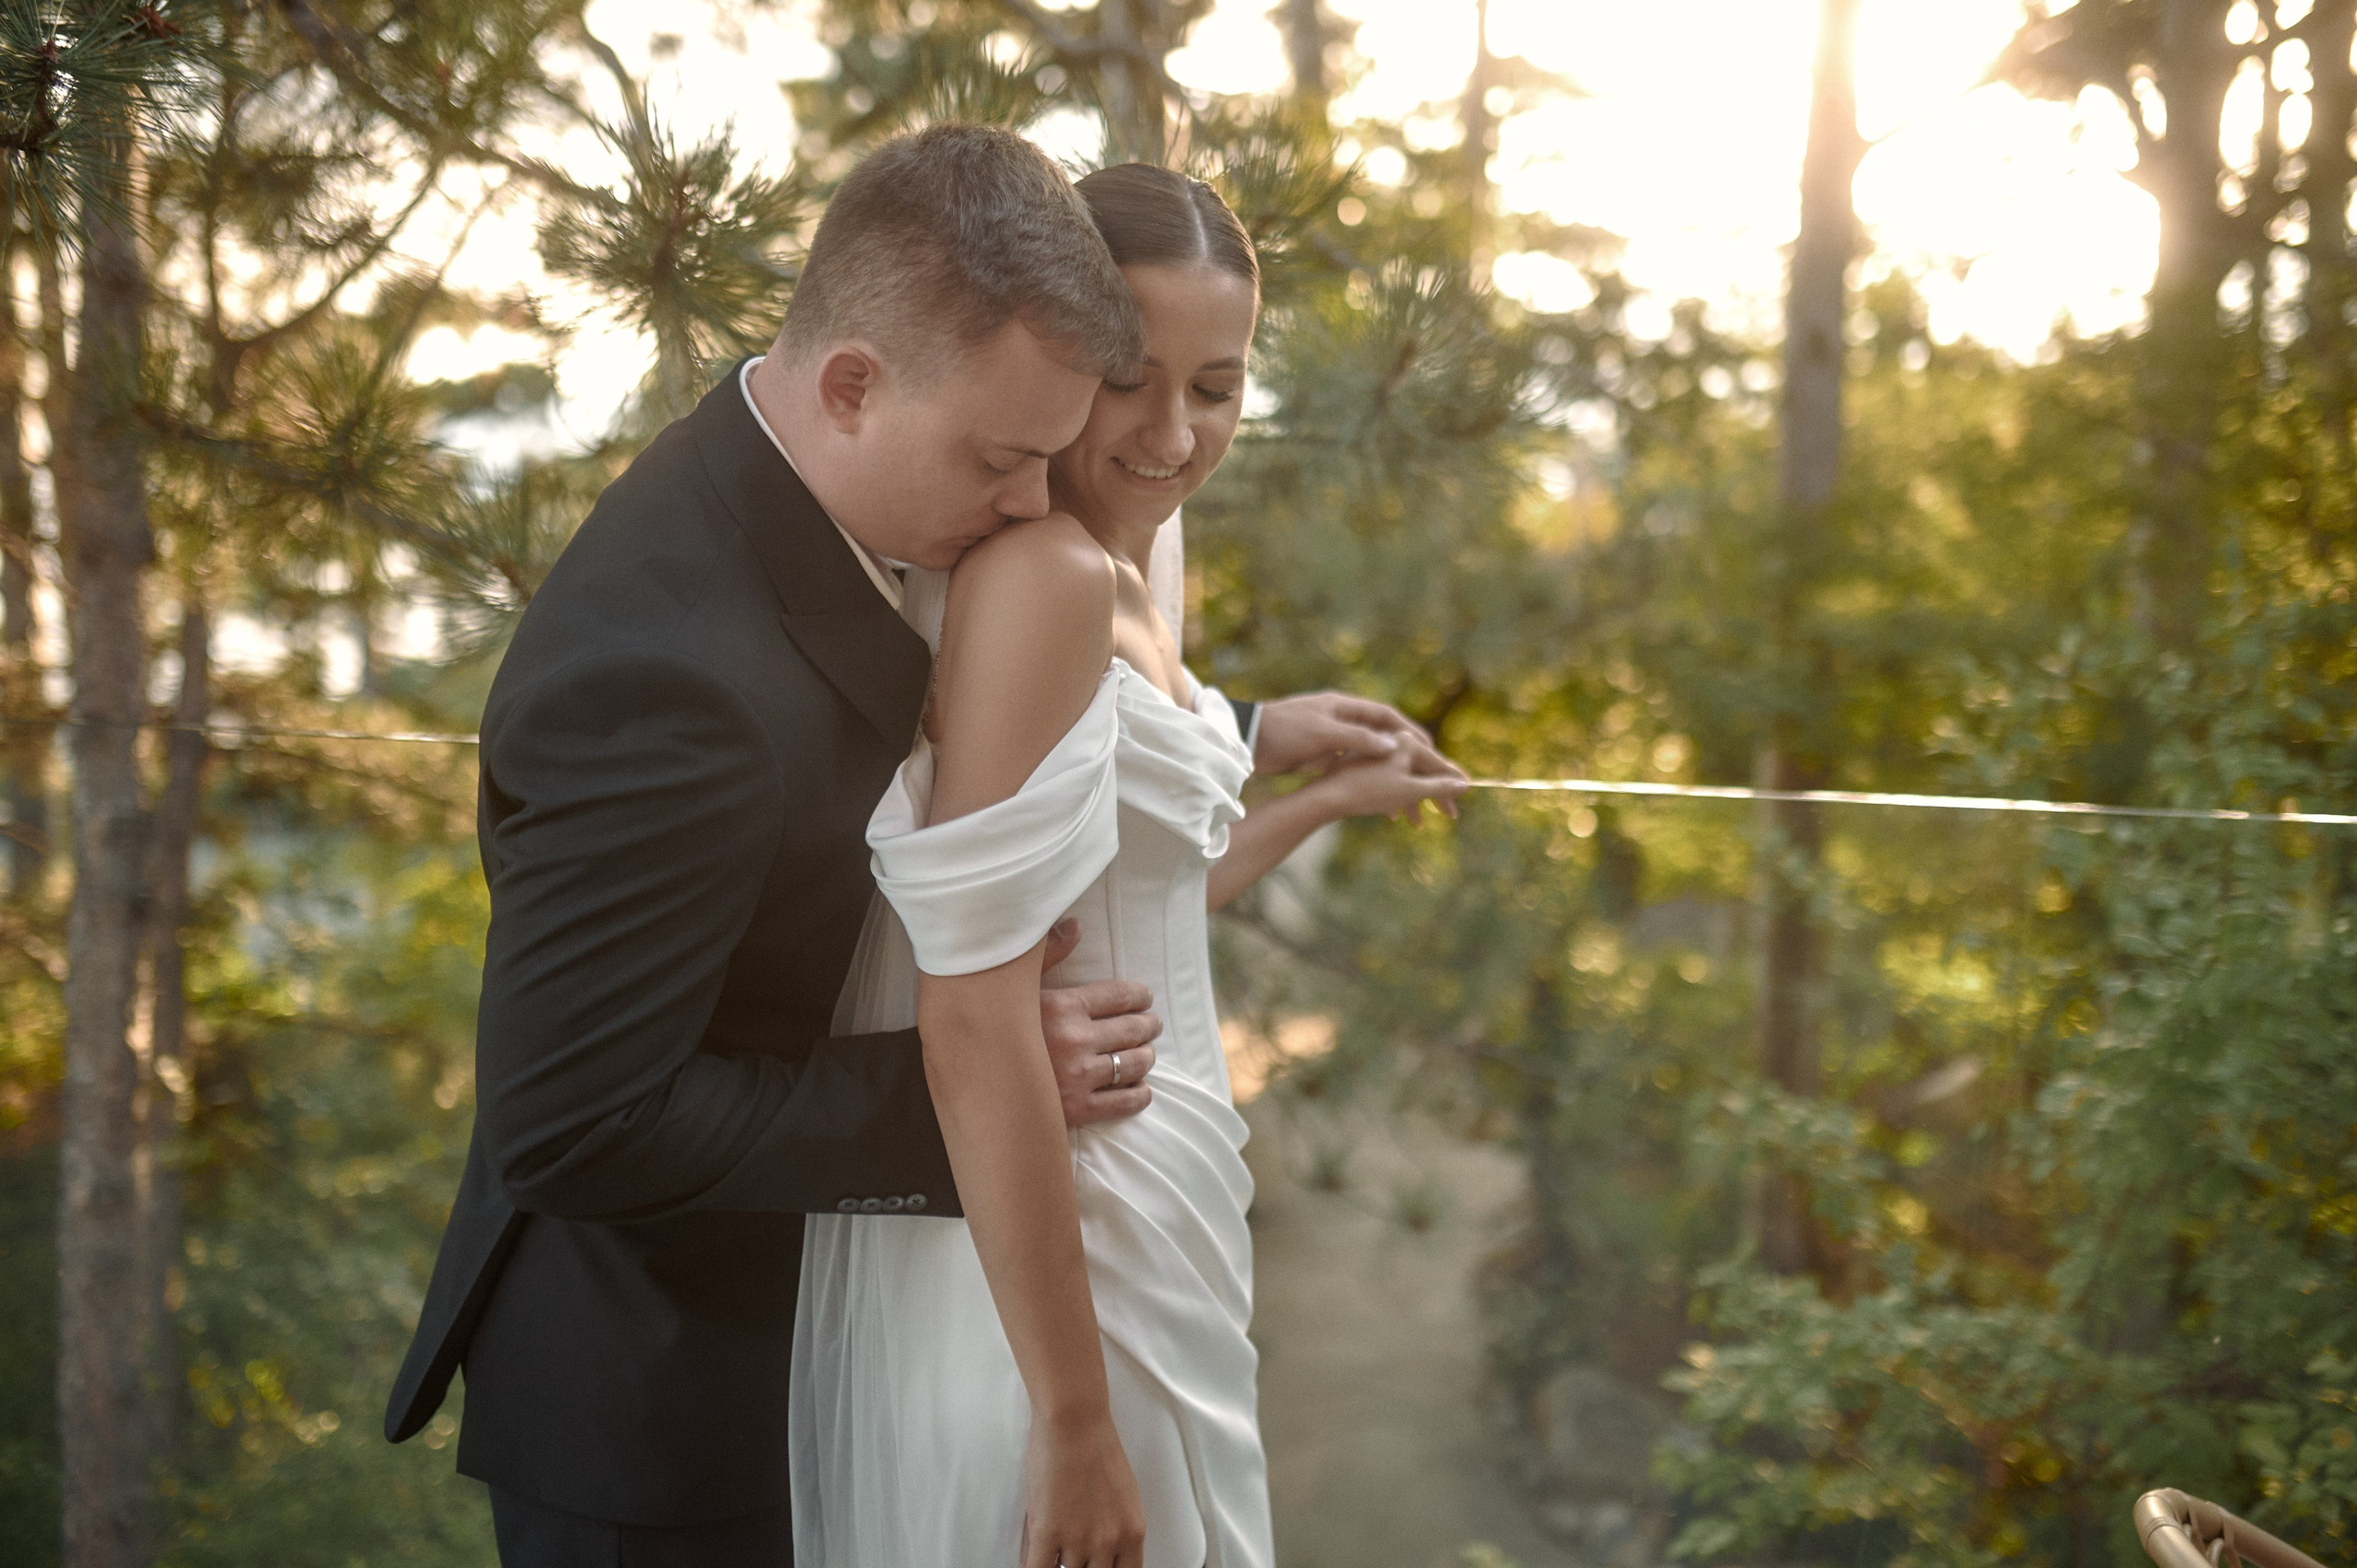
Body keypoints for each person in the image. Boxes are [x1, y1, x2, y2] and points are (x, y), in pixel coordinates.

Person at [383, 124, 1446, 1566]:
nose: (1036, 500)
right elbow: (574, 1122)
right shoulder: (662, 676)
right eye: (1007, 458)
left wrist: (1244, 734)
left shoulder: (841, 471)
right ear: (851, 386)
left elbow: (1008, 741)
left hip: (877, 1307)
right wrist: (985, 1076)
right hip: (672, 1394)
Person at [789, 164, 1469, 1568]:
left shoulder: (1136, 556)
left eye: (1217, 387)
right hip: (1071, 1214)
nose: (1172, 434)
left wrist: (1308, 796)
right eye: (1127, 381)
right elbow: (971, 1007)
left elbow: (1127, 909)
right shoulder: (1043, 576)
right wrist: (1073, 1413)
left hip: (1167, 1176)